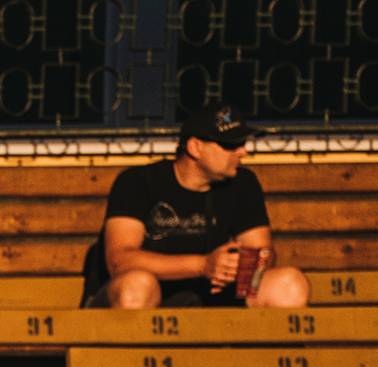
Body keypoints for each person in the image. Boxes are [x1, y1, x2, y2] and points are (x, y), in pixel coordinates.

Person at [83, 106, 310, 310]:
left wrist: (241, 268)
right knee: (137, 286)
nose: (243, 151)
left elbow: (261, 252)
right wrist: (202, 265)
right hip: (145, 298)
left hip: (211, 297)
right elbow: (120, 261)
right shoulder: (138, 181)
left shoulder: (242, 182)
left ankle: (255, 347)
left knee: (290, 284)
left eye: (243, 143)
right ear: (195, 147)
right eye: (230, 145)